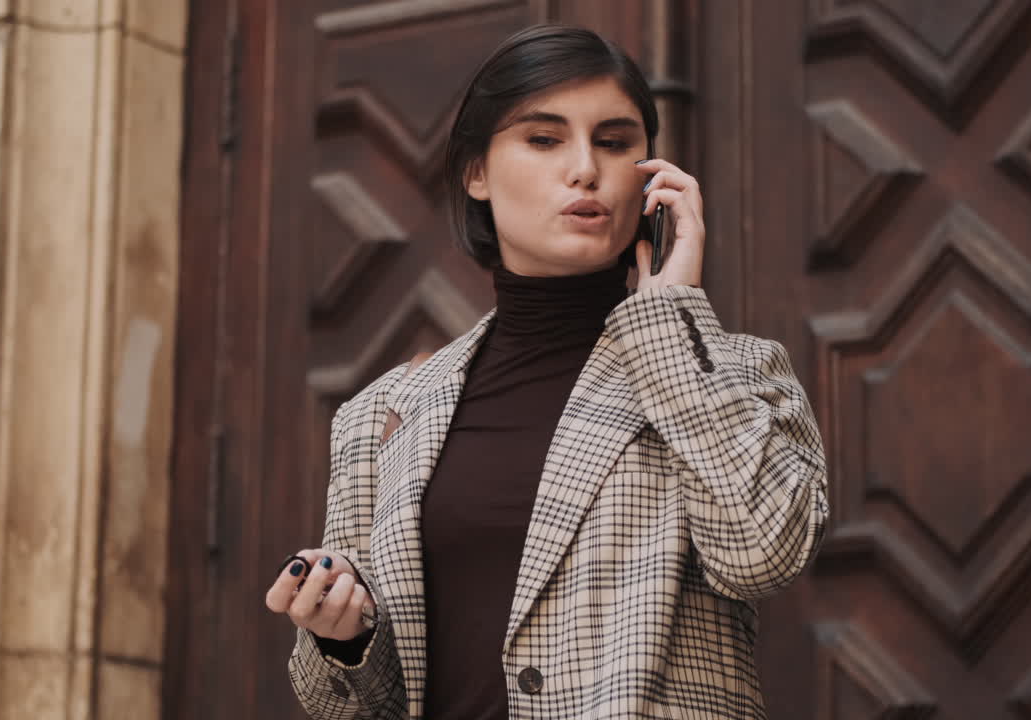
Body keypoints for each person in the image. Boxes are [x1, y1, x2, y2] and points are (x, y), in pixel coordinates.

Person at [266, 23, 828, 720]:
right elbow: (348, 706)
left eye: (614, 142)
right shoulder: (380, 416)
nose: (585, 168)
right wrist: (343, 635)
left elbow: (765, 555)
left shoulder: (737, 374)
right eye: (544, 139)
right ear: (476, 172)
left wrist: (669, 324)